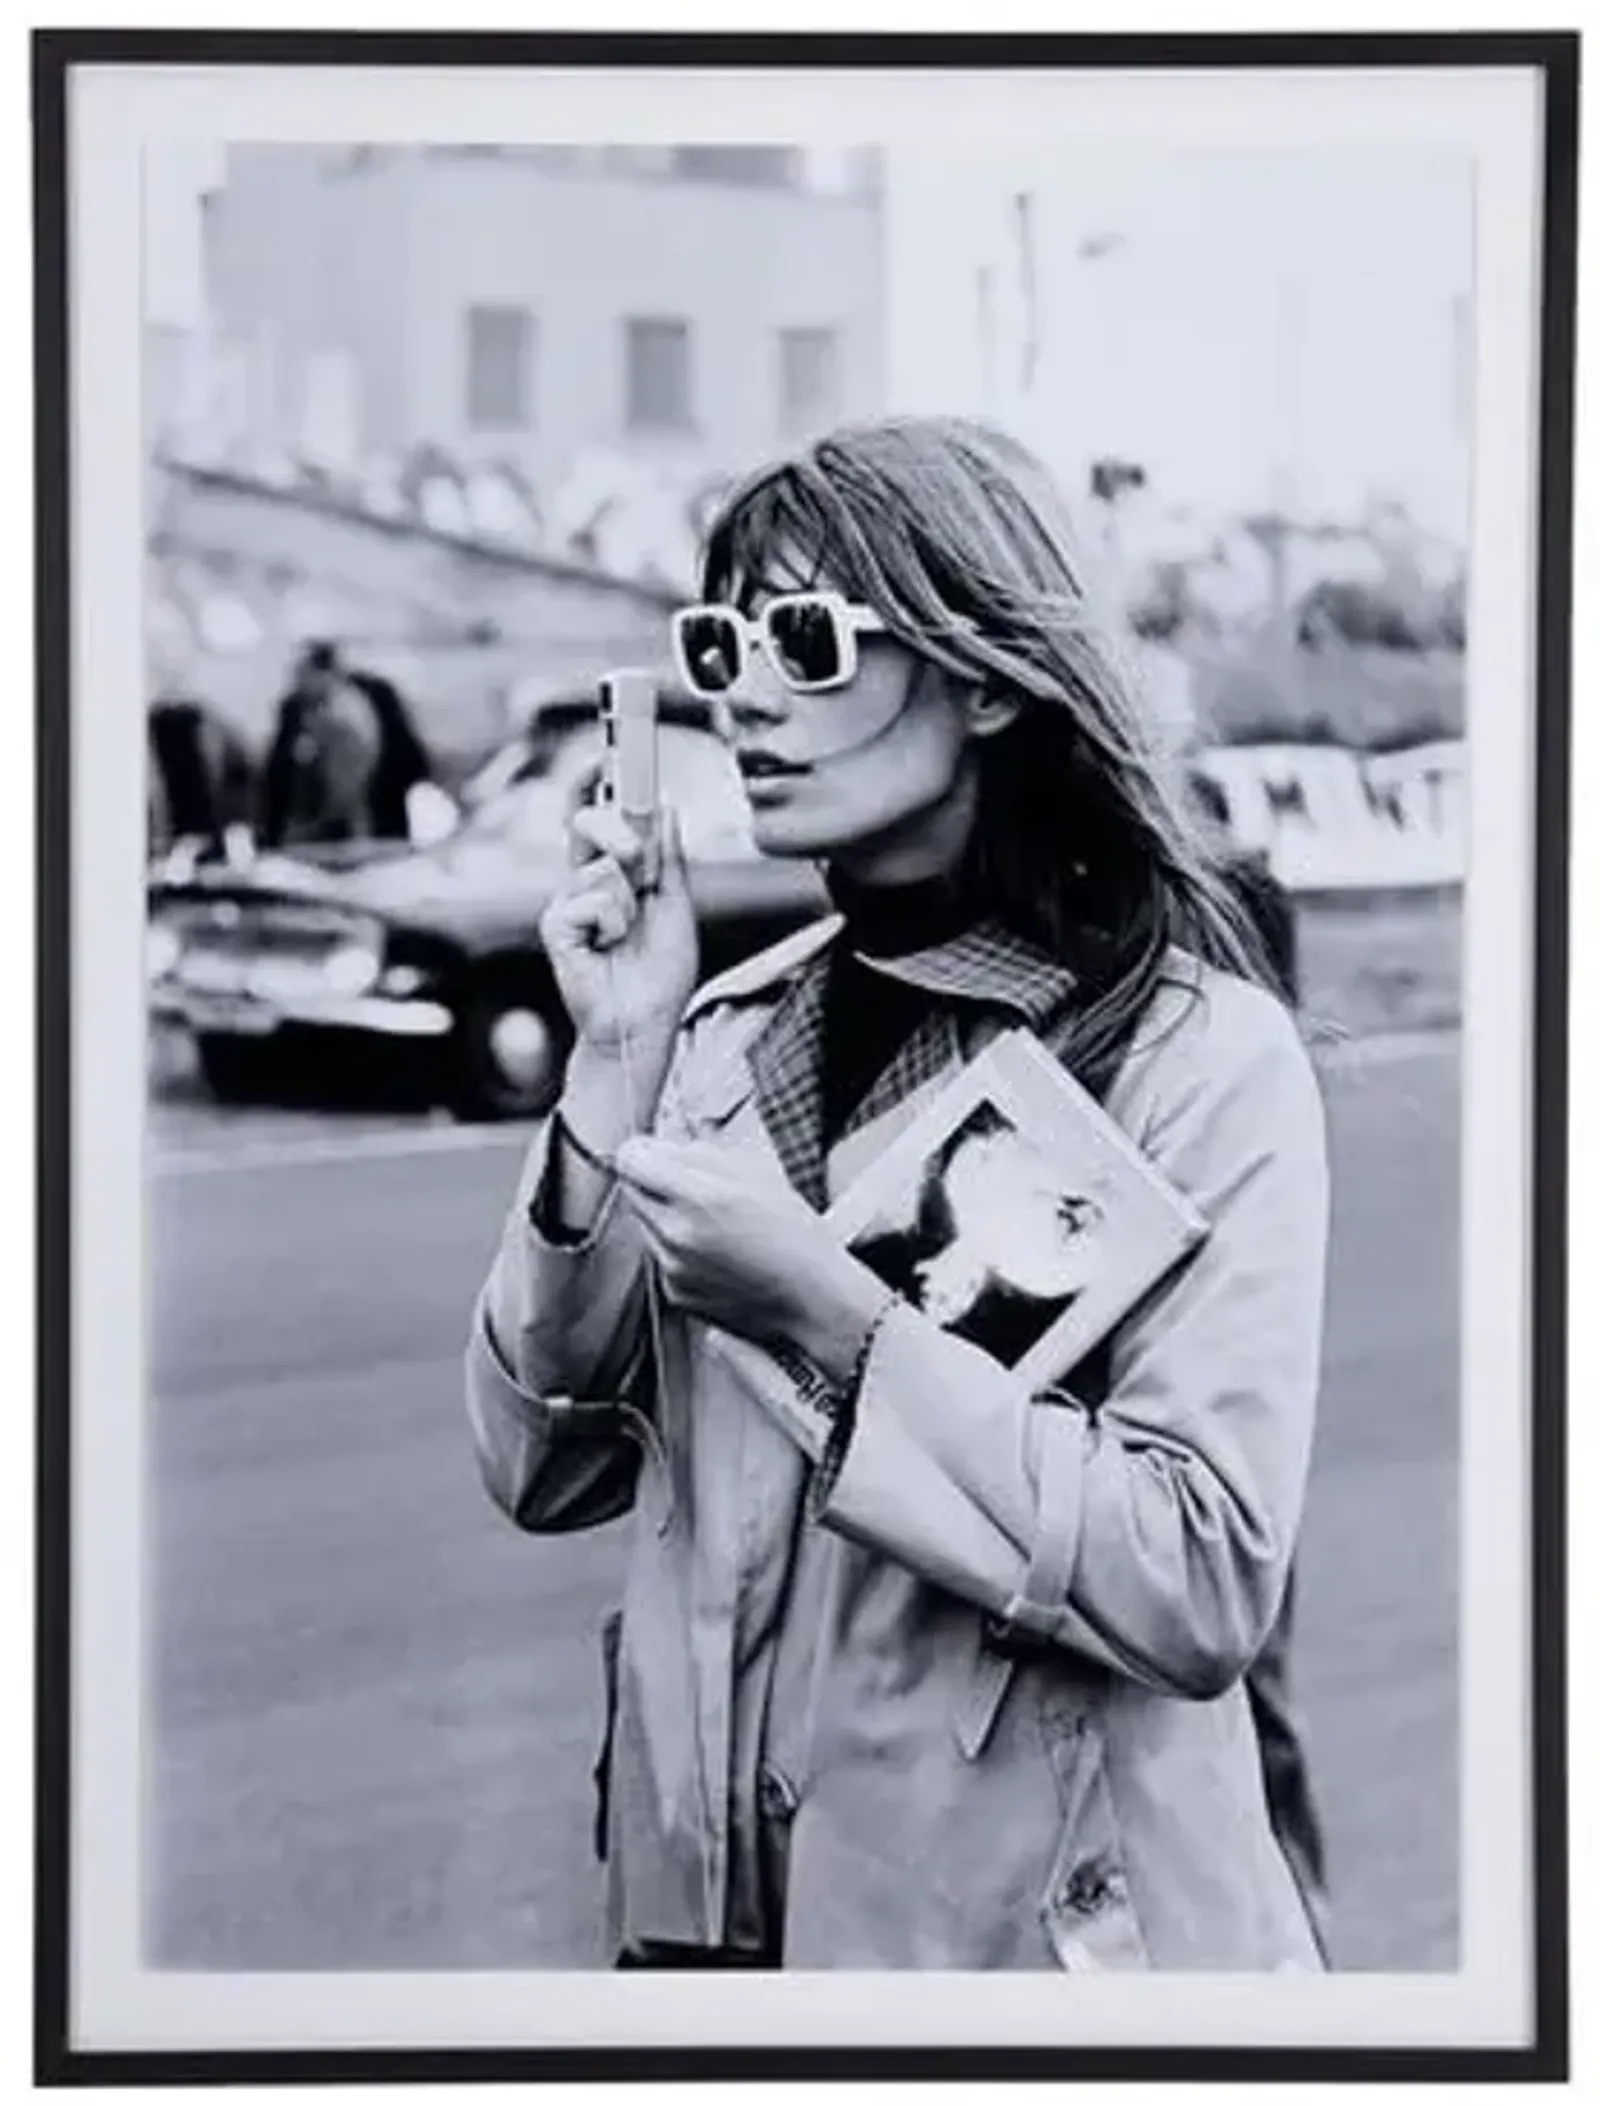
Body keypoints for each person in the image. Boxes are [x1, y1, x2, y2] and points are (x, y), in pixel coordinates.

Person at [465, 417, 1331, 1972]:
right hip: (707, 1945)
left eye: (807, 638)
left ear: (986, 676)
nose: (743, 691)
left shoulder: (1189, 1052)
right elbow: (540, 1465)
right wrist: (615, 1055)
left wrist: (832, 1319)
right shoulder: (721, 1031)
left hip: (1017, 1977)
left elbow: (1202, 1577)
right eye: (721, 639)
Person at [258, 640, 435, 850]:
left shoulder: (370, 699)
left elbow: (406, 757)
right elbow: (278, 774)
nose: (296, 681)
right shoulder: (296, 709)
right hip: (318, 825)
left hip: (371, 815)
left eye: (302, 673)